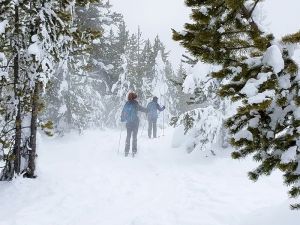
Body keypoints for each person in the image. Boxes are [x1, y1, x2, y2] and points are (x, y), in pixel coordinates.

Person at [121, 92, 147, 157]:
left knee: (128, 136)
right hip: (135, 123)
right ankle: (134, 151)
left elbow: (123, 112)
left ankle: (126, 151)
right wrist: (147, 110)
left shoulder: (127, 104)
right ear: (134, 97)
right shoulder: (135, 104)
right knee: (134, 137)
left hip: (128, 123)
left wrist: (122, 119)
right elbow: (141, 109)